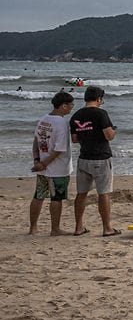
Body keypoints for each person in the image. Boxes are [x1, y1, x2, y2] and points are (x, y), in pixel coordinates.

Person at [70, 86, 119, 237]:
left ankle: (78, 227)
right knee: (103, 193)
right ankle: (107, 228)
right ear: (99, 99)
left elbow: (74, 139)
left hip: (84, 157)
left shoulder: (76, 116)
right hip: (101, 157)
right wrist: (114, 130)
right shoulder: (101, 114)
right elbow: (109, 136)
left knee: (81, 194)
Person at [29, 91, 75, 236]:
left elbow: (36, 141)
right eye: (70, 105)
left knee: (39, 196)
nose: (72, 108)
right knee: (57, 198)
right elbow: (59, 149)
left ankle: (33, 227)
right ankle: (55, 229)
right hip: (57, 168)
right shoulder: (61, 123)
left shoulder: (43, 119)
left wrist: (37, 161)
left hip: (43, 166)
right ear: (63, 106)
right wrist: (44, 163)